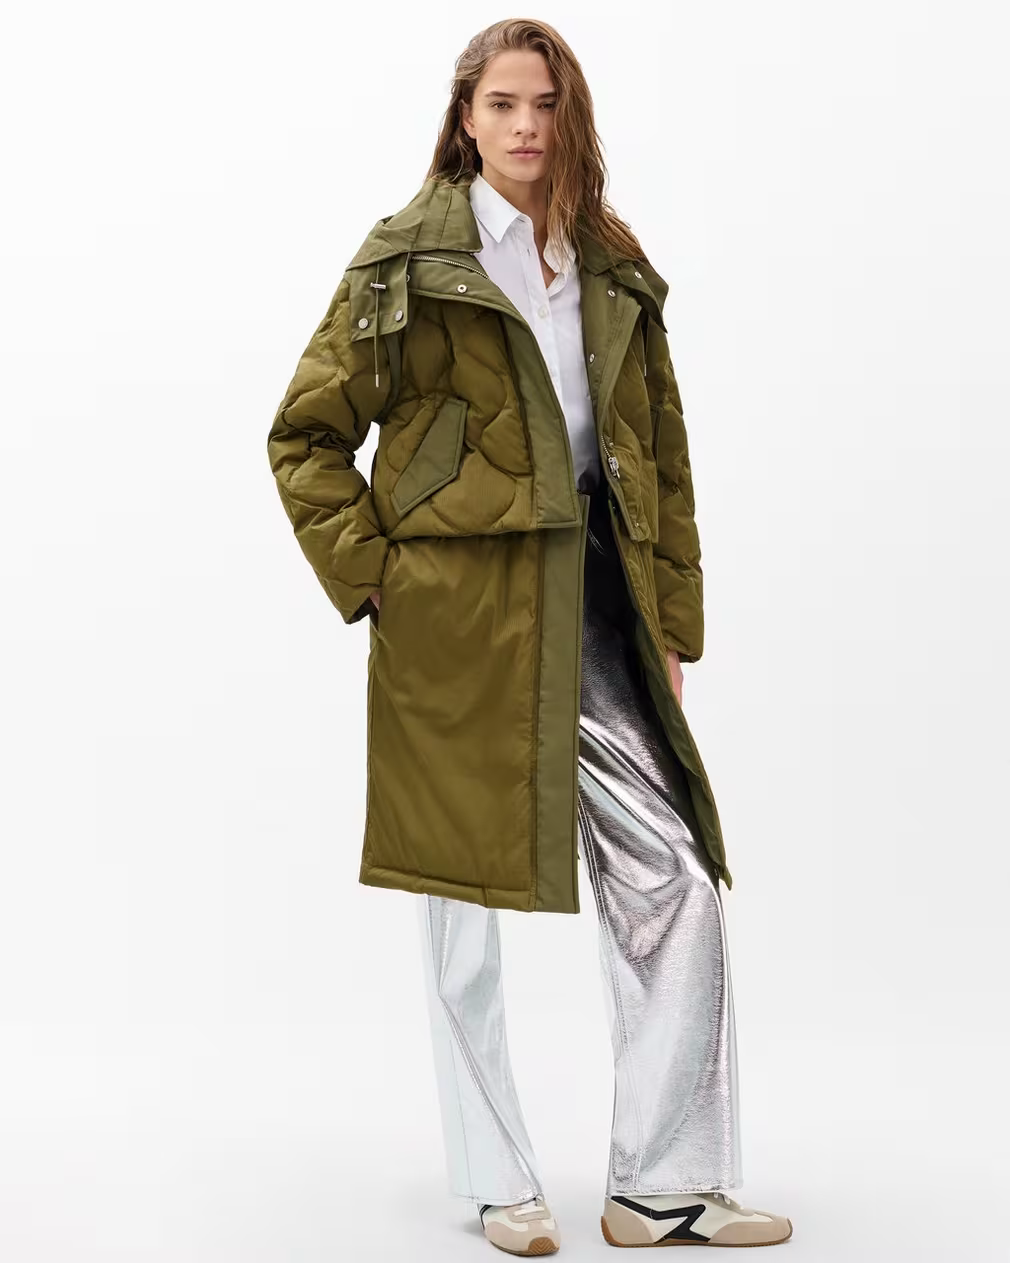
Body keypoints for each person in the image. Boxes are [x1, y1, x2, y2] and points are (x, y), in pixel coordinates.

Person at [266, 17, 793, 1256]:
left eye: (545, 105)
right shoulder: (406, 259)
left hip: (594, 598)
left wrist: (669, 625)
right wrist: (381, 584)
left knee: (673, 876)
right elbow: (304, 436)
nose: (525, 126)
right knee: (462, 902)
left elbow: (657, 455)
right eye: (502, 104)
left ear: (571, 117)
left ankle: (660, 1184)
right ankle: (498, 1181)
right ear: (464, 117)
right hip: (455, 612)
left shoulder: (608, 261)